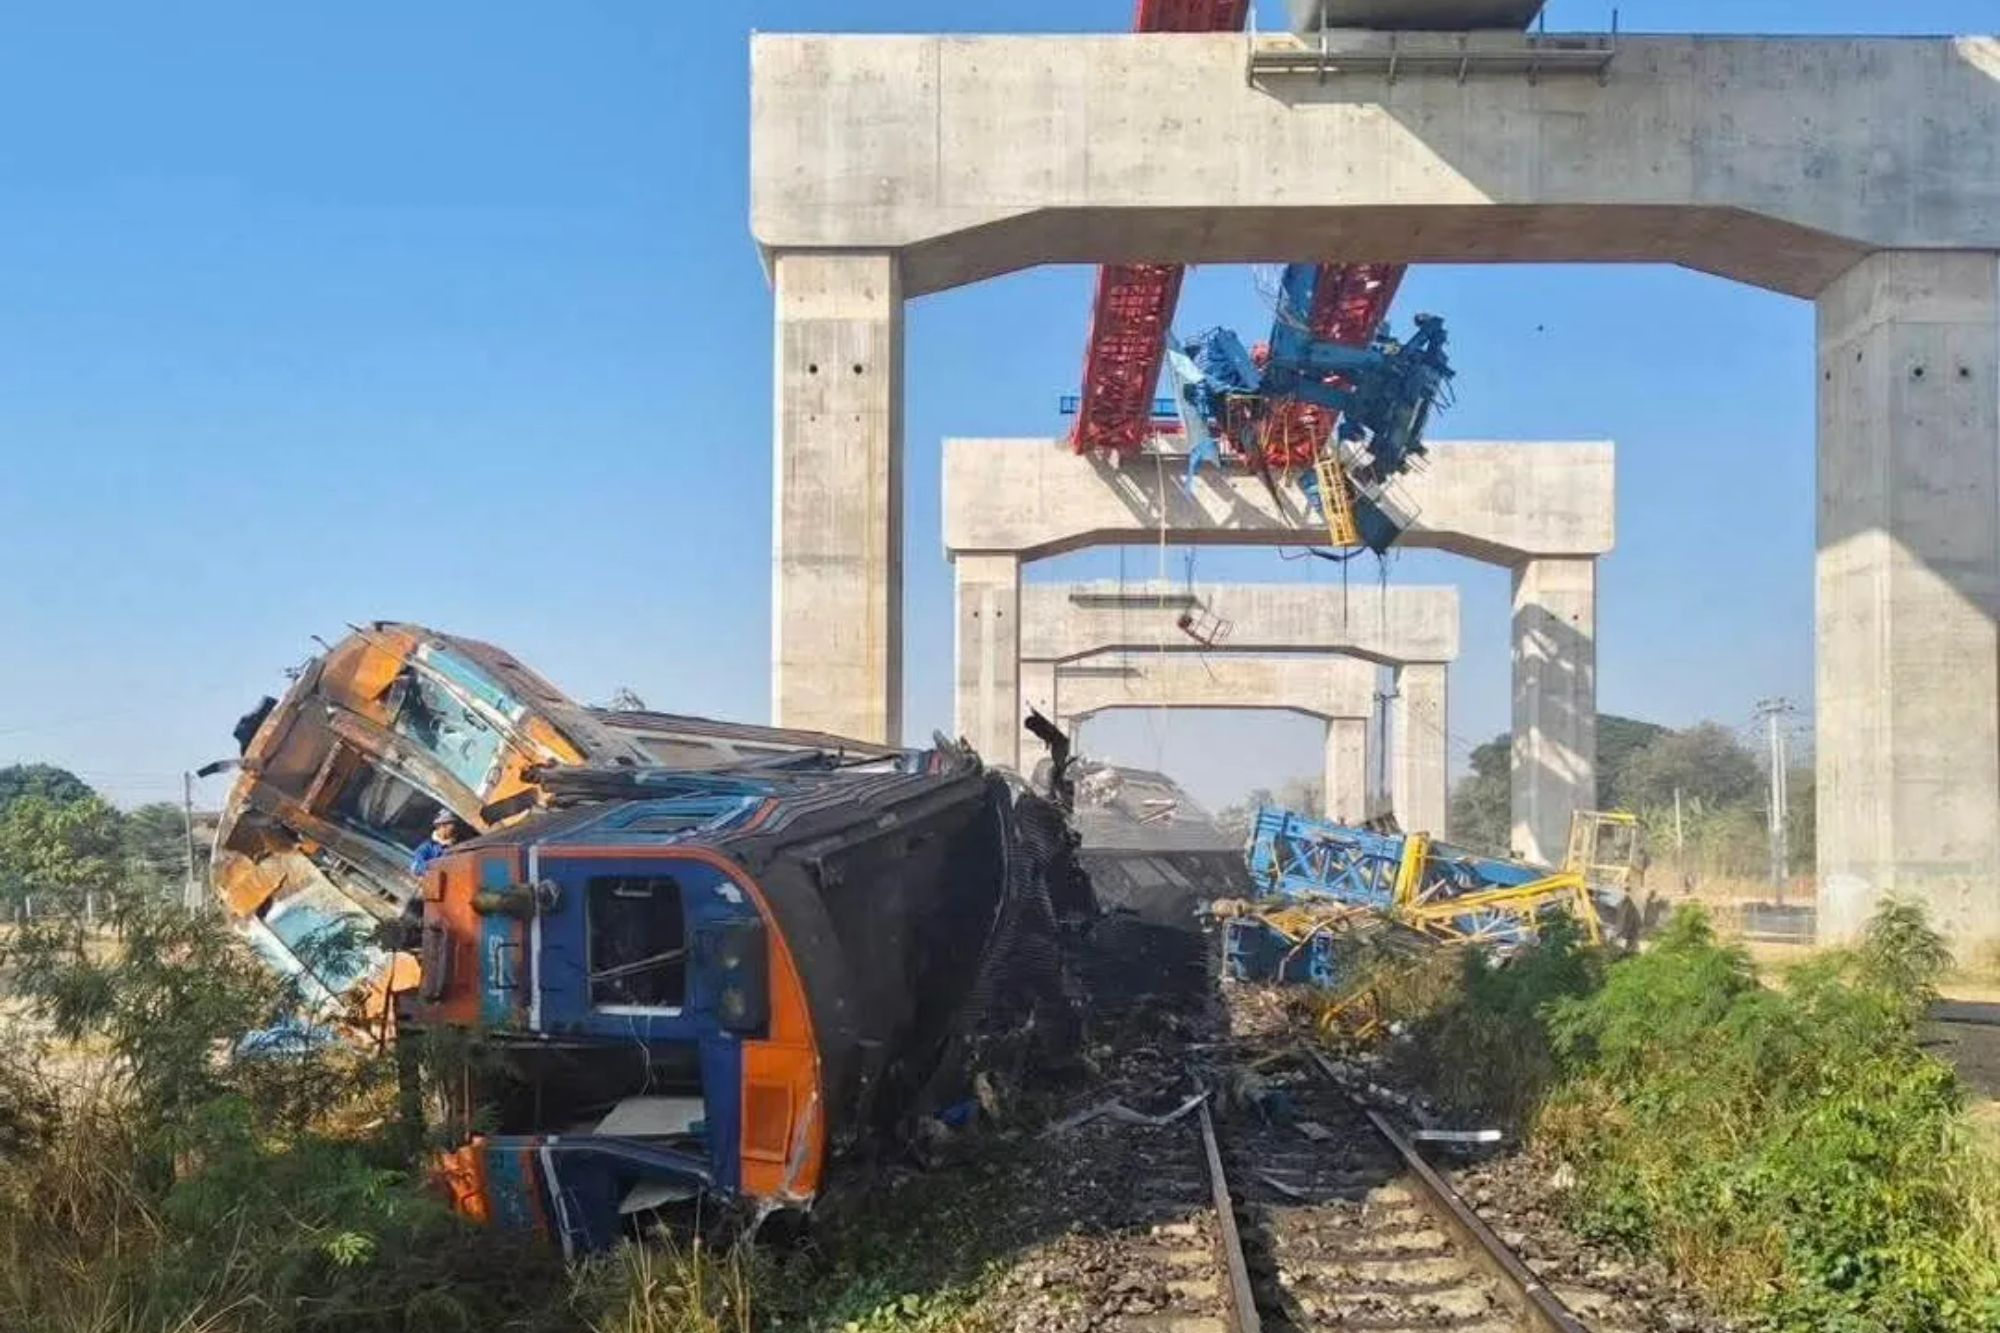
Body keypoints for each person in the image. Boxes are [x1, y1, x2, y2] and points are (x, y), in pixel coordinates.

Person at [409, 809, 465, 876]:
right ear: (442, 826)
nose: (455, 827)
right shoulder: (428, 847)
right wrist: (432, 873)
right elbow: (416, 867)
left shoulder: (460, 846)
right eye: (452, 823)